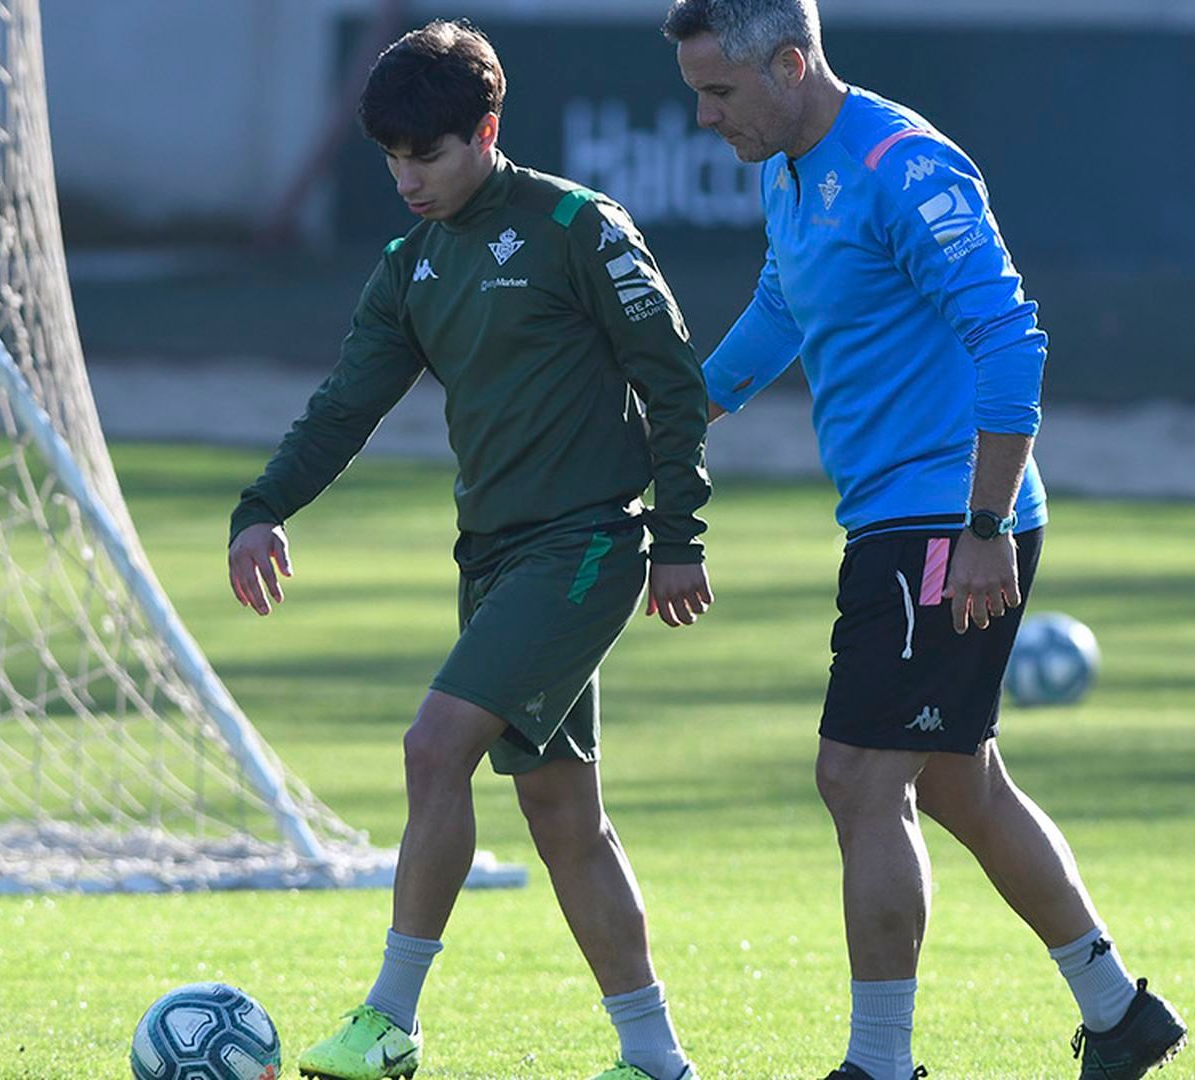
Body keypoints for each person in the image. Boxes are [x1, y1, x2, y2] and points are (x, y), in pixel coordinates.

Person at [658, 3, 1188, 1079]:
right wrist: (687, 410)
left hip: (944, 518)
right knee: (954, 780)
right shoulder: (788, 167)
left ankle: (881, 1063)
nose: (705, 118)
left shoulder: (906, 166)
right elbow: (782, 306)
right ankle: (1118, 1011)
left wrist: (983, 524)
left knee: (857, 777)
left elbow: (1009, 337)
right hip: (905, 518)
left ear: (792, 64)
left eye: (718, 92)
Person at [227, 20, 714, 1080]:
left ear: (486, 130)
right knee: (562, 816)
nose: (408, 180)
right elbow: (342, 407)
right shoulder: (411, 265)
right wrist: (263, 508)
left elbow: (675, 381)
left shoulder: (578, 227)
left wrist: (679, 535)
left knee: (431, 746)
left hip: (585, 545)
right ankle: (656, 1061)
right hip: (493, 562)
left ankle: (390, 1021)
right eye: (393, 159)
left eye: (429, 156)